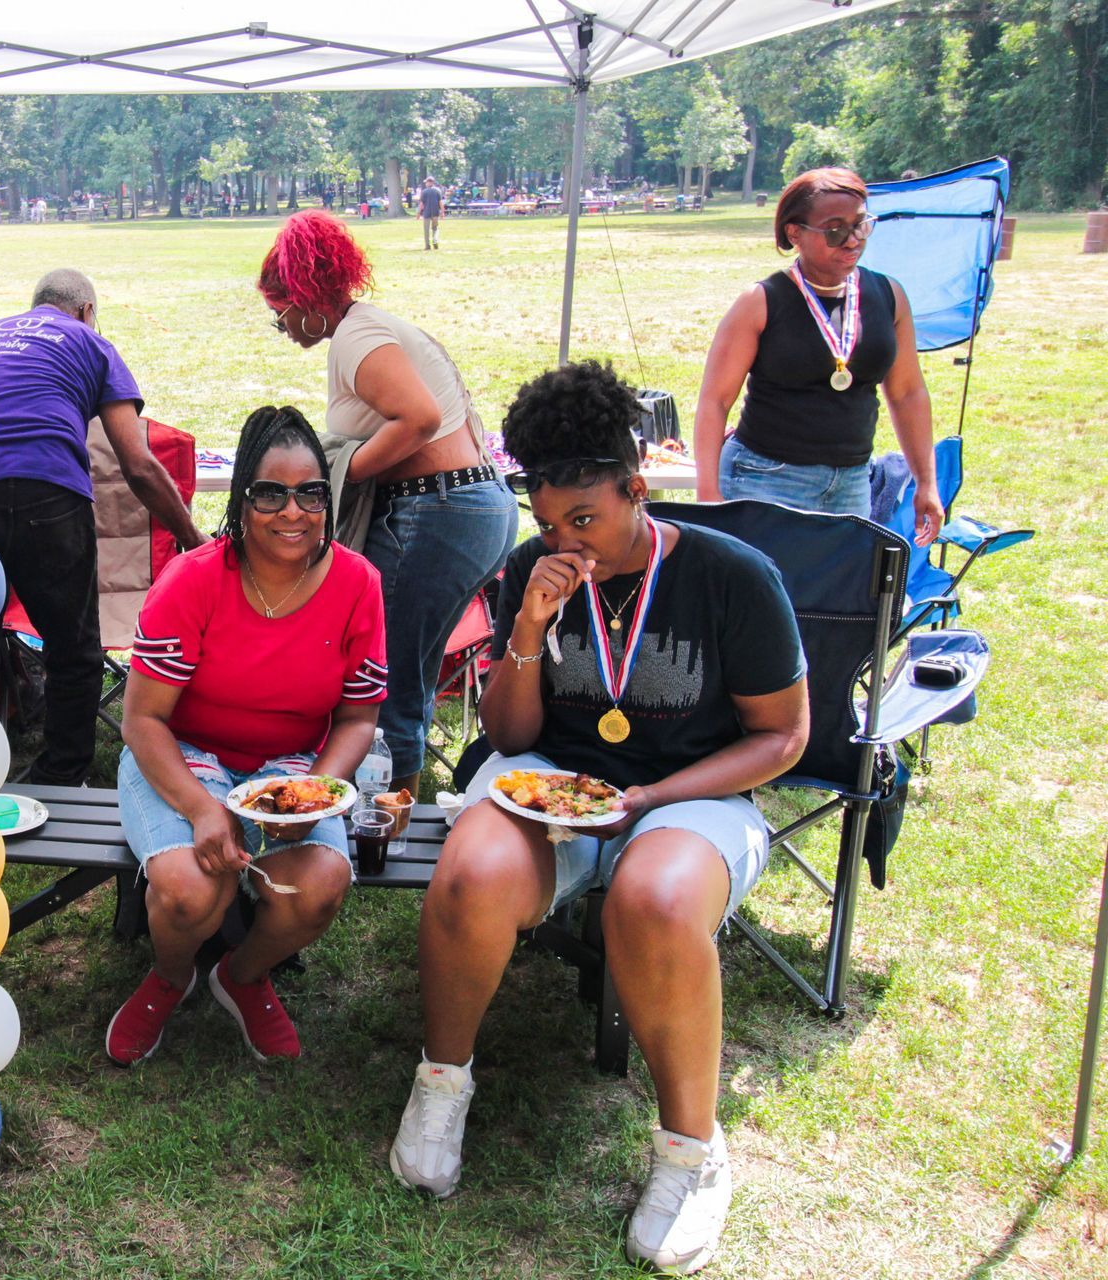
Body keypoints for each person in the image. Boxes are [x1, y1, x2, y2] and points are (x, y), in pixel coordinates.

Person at [392, 361, 810, 1275]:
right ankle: (441, 1083)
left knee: (654, 904)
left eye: (585, 518)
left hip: (693, 794)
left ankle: (692, 1155)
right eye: (547, 522)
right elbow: (508, 733)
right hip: (554, 782)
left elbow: (784, 738)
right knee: (469, 870)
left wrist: (654, 799)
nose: (565, 540)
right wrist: (530, 630)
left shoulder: (730, 577)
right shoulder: (526, 574)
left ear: (635, 488)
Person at [108, 406, 386, 1067]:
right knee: (188, 888)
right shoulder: (195, 579)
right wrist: (204, 809)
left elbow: (357, 718)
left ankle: (244, 975)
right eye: (271, 493)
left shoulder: (357, 584)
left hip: (290, 766)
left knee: (318, 886)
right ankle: (172, 978)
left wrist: (316, 790)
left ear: (329, 499)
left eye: (311, 493)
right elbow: (142, 720)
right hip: (183, 755)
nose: (293, 512)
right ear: (241, 500)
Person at [259, 210, 518, 796]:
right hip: (470, 508)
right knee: (414, 670)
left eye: (280, 317)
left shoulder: (357, 336)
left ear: (304, 301)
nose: (283, 329)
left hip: (437, 512)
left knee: (389, 675)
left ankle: (386, 821)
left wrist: (336, 476)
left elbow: (420, 419)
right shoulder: (368, 328)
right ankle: (401, 803)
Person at [0, 268, 204, 787]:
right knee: (73, 647)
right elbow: (136, 462)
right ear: (86, 312)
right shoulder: (91, 343)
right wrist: (190, 537)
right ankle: (62, 772)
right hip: (48, 492)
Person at [693, 167, 942, 543]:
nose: (852, 240)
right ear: (796, 233)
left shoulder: (889, 297)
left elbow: (908, 394)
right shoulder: (760, 302)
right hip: (765, 479)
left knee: (830, 601)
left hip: (852, 484)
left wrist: (926, 482)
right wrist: (709, 496)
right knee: (762, 601)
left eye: (861, 225)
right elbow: (715, 400)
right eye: (835, 229)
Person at [418, 177, 444, 250]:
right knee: (435, 229)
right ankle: (435, 242)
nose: (426, 183)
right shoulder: (437, 191)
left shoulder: (424, 192)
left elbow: (421, 204)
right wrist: (442, 212)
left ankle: (427, 245)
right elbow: (440, 202)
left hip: (426, 213)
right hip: (435, 212)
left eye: (426, 182)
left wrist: (418, 213)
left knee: (426, 230)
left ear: (428, 182)